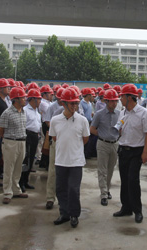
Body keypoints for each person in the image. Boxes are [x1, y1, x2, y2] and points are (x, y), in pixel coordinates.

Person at [50, 88, 90, 228]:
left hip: (76, 161)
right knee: (61, 189)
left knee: (73, 189)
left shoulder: (82, 120)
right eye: (71, 103)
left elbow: (85, 139)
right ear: (64, 103)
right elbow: (55, 138)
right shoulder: (55, 120)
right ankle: (64, 213)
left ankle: (74, 215)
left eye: (76, 103)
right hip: (60, 160)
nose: (74, 106)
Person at [113, 83, 147, 224]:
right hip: (123, 150)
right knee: (124, 180)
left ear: (129, 97)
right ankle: (126, 207)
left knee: (133, 180)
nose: (120, 99)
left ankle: (137, 210)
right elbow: (120, 127)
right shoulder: (122, 113)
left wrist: (145, 152)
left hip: (137, 152)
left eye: (122, 96)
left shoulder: (143, 113)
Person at [0, 87, 28, 204]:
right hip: (11, 142)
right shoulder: (7, 113)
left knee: (18, 167)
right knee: (8, 168)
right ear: (16, 99)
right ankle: (7, 192)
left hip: (21, 141)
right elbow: (0, 129)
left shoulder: (23, 112)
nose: (25, 99)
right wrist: (7, 140)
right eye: (23, 97)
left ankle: (16, 189)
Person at [90, 89, 120, 206]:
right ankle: (103, 194)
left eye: (116, 101)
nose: (114, 103)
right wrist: (102, 134)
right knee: (102, 169)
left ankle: (107, 189)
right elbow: (92, 129)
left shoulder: (119, 114)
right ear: (106, 101)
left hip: (115, 144)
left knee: (110, 169)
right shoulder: (99, 114)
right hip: (103, 144)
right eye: (112, 101)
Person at [44, 87, 65, 210]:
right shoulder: (55, 110)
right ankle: (50, 198)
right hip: (56, 142)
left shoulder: (78, 111)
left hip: (69, 144)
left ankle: (64, 198)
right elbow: (48, 122)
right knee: (53, 171)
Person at [19, 88, 42, 192]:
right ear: (33, 99)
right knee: (26, 159)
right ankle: (21, 182)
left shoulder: (37, 111)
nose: (40, 101)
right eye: (39, 99)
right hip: (27, 135)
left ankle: (26, 180)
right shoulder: (25, 110)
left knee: (31, 158)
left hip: (35, 135)